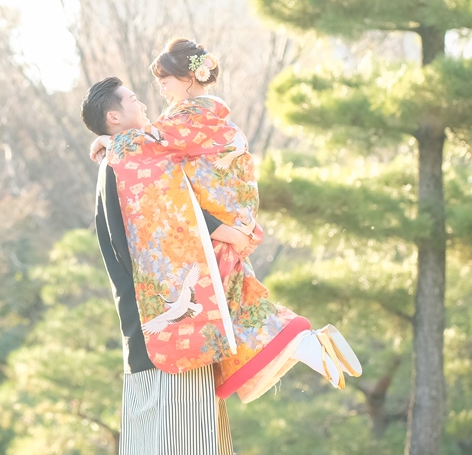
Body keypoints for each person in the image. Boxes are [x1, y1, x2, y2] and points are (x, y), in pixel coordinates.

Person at [86, 38, 361, 407]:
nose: (157, 94)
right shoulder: (207, 116)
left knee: (222, 309)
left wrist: (108, 140)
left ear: (187, 80)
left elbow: (151, 153)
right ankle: (309, 346)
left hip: (216, 227)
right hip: (228, 222)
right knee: (237, 302)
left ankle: (306, 345)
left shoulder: (187, 118)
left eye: (164, 82)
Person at [84, 80, 236, 455]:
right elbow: (171, 219)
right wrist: (228, 232)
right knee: (187, 440)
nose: (144, 103)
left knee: (152, 440)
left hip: (145, 329)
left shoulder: (117, 162)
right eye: (133, 99)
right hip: (171, 334)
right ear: (114, 116)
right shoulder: (129, 163)